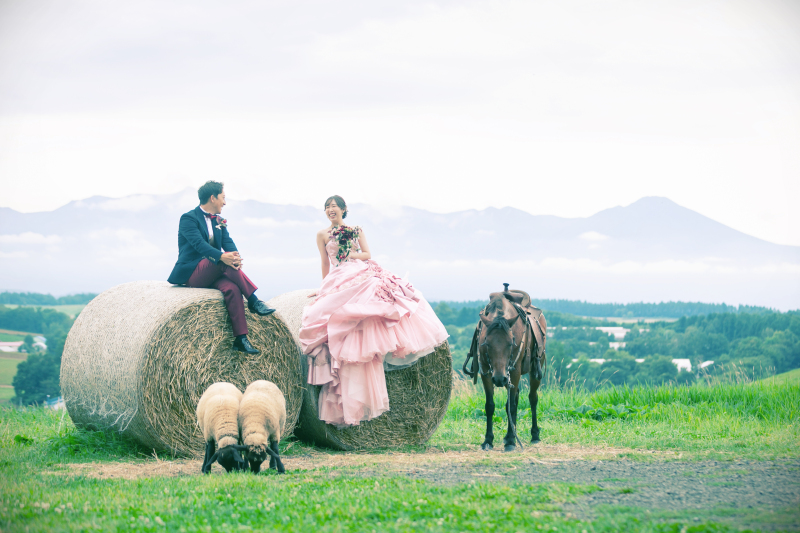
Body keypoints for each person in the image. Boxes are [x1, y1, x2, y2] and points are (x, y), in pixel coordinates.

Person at [298, 195, 448, 428]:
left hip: (359, 271)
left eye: (334, 206)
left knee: (375, 307)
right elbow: (325, 263)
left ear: (344, 209)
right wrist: (323, 288)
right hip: (338, 276)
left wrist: (350, 254)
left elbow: (367, 254)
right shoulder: (322, 234)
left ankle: (374, 343)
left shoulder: (356, 230)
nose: (330, 210)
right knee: (322, 312)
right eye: (327, 207)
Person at [168, 181, 275, 354]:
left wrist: (235, 257)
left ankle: (241, 338)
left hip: (213, 272)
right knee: (224, 262)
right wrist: (222, 257)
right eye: (223, 198)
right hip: (192, 273)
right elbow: (199, 245)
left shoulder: (219, 221)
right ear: (213, 198)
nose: (224, 203)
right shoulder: (188, 218)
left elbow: (227, 242)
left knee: (232, 288)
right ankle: (253, 300)